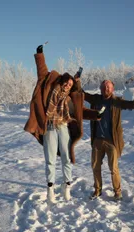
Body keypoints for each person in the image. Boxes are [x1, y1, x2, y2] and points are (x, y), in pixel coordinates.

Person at [24, 44, 99, 203]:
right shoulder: (50, 85)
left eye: (71, 85)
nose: (67, 85)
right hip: (49, 126)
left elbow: (81, 112)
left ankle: (67, 187)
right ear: (63, 81)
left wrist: (96, 114)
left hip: (63, 127)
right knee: (50, 159)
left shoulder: (70, 99)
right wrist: (40, 55)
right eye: (67, 83)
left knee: (66, 158)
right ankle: (50, 189)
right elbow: (42, 70)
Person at [83, 79, 134, 201]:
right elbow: (81, 94)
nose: (106, 89)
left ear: (113, 89)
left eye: (108, 87)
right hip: (97, 140)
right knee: (95, 166)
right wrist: (76, 80)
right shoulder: (96, 99)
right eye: (104, 87)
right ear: (100, 88)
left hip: (112, 141)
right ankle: (97, 190)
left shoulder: (116, 102)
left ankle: (117, 192)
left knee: (113, 168)